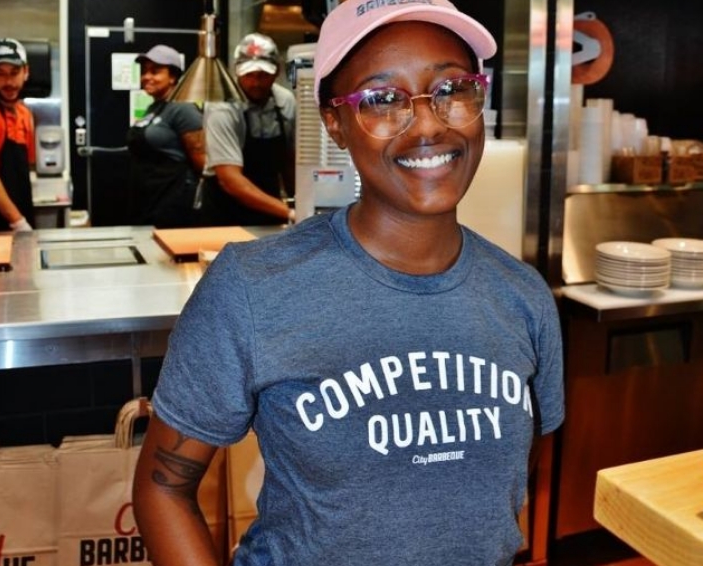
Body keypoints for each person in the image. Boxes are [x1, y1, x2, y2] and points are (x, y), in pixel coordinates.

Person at [133, 1, 565, 565]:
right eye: (382, 100)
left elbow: (505, 492)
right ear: (334, 123)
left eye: (452, 89)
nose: (429, 123)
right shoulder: (253, 287)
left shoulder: (524, 296)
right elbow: (162, 486)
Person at [199, 33, 295, 226]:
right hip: (224, 212)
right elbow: (229, 179)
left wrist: (300, 203)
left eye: (263, 75)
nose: (256, 83)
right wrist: (290, 213)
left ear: (277, 72)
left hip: (270, 208)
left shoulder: (286, 101)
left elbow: (290, 162)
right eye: (249, 75)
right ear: (237, 71)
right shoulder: (222, 106)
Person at [126, 44, 205, 228]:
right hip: (148, 199)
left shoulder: (182, 108)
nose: (146, 77)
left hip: (172, 204)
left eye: (155, 71)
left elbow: (202, 162)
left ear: (173, 77)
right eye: (144, 72)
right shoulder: (153, 108)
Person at [0, 38, 35, 232]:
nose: (9, 82)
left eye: (14, 72)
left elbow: (26, 168)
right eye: (0, 73)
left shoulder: (25, 113)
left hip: (20, 220)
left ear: (26, 72)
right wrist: (18, 222)